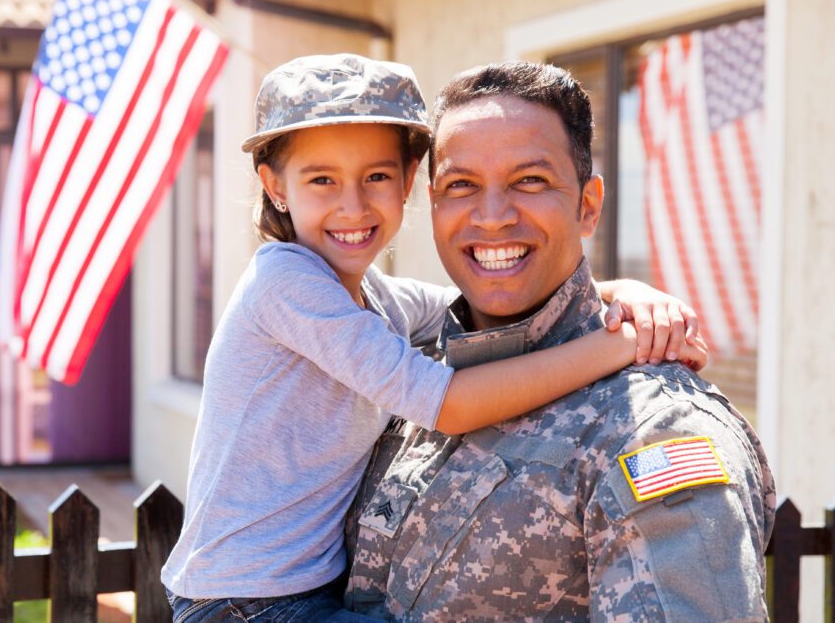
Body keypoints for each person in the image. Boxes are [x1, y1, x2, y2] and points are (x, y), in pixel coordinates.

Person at [161, 54, 705, 622]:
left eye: (376, 176)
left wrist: (625, 293)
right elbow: (446, 403)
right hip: (244, 602)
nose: (352, 204)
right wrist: (617, 345)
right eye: (321, 179)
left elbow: (478, 295)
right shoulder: (286, 283)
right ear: (275, 187)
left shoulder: (374, 296)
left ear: (407, 184)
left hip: (298, 591)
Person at [344, 61, 776, 620]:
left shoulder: (651, 429)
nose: (492, 216)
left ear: (588, 205)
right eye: (461, 185)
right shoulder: (410, 378)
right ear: (433, 206)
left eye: (530, 181)